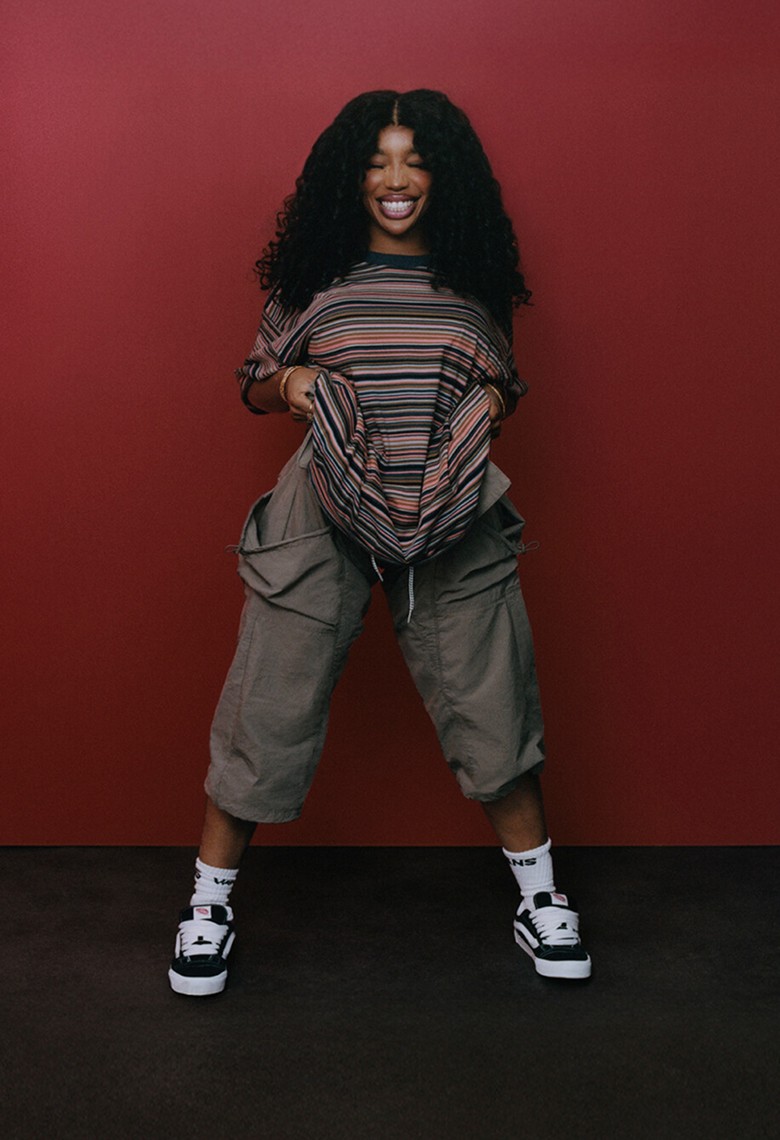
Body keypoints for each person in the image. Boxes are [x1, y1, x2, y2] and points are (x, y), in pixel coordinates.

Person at [168, 89, 591, 996]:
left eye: (413, 161)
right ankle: (207, 907)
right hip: (320, 502)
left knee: (495, 702)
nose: (395, 180)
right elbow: (254, 378)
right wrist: (292, 389)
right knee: (267, 706)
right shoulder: (313, 278)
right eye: (376, 162)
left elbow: (500, 382)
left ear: (444, 175)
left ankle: (541, 901)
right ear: (348, 178)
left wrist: (496, 404)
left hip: (455, 502)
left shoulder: (472, 279)